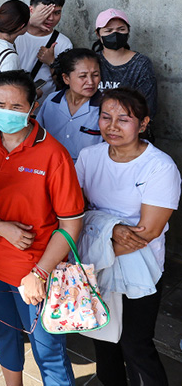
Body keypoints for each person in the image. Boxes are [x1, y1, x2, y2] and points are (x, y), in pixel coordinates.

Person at [0, 70, 83, 386]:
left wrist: (40, 273)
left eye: (16, 106)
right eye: (0, 103)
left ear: (33, 107)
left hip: (36, 273)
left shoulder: (53, 154)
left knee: (49, 352)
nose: (7, 111)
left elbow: (71, 223)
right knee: (4, 336)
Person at [75, 88, 179, 386]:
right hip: (98, 264)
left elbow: (147, 232)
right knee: (104, 341)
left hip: (139, 267)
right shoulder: (89, 156)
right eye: (106, 117)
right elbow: (74, 210)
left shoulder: (159, 166)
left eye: (124, 119)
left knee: (136, 345)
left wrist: (95, 237)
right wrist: (113, 229)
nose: (112, 125)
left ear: (144, 124)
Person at [36, 48, 102, 161]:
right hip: (51, 168)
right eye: (83, 76)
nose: (90, 82)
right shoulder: (52, 101)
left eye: (95, 75)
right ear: (66, 78)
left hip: (88, 173)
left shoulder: (105, 107)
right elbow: (37, 135)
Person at [93, 8, 157, 120]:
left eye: (121, 29)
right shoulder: (92, 61)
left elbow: (147, 106)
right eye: (108, 31)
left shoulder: (141, 64)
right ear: (98, 34)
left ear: (128, 31)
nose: (115, 34)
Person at [15, 0, 74, 104]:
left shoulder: (63, 43)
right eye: (45, 12)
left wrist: (52, 63)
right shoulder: (14, 36)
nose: (51, 18)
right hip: (14, 105)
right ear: (31, 10)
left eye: (57, 13)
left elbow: (67, 84)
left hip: (45, 110)